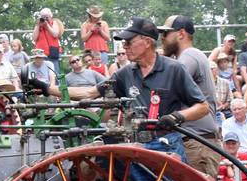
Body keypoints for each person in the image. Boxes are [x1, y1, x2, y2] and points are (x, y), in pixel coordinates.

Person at [69, 17, 210, 161]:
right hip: (137, 146)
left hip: (167, 146)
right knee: (105, 165)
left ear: (147, 42)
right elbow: (89, 93)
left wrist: (177, 116)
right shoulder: (125, 73)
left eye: (129, 42)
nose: (124, 47)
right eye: (124, 43)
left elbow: (203, 107)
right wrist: (48, 88)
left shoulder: (174, 69)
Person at [159, 15, 221, 177]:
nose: (162, 39)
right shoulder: (186, 57)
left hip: (197, 144)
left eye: (165, 34)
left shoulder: (190, 55)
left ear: (180, 34)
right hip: (196, 142)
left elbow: (167, 85)